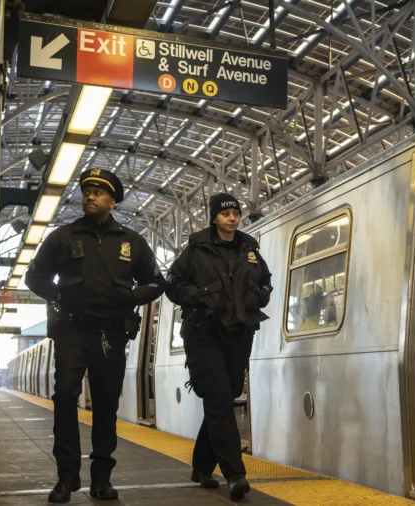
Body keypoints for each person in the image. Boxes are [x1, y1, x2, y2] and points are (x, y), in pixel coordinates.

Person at [25, 169, 165, 502]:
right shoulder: (63, 237)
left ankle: (102, 479)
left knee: (105, 406)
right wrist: (60, 295)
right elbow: (35, 276)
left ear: (112, 201)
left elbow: (158, 282)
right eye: (87, 191)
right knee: (64, 395)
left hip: (111, 334)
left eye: (99, 193)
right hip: (72, 329)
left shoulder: (132, 242)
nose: (90, 196)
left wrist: (131, 297)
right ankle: (66, 477)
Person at [165, 193, 273, 500]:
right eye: (226, 213)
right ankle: (234, 474)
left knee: (224, 397)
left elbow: (265, 280)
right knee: (219, 398)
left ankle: (201, 467)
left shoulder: (249, 249)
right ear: (215, 218)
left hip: (239, 332)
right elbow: (172, 283)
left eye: (236, 213)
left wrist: (259, 297)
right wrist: (195, 297)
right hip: (204, 333)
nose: (232, 218)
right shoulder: (196, 249)